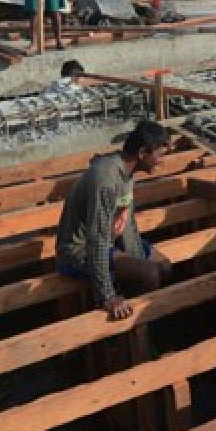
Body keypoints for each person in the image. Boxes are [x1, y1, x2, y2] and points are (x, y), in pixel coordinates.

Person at [56, 120, 175, 320]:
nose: (162, 161)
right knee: (150, 274)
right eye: (160, 156)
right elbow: (97, 238)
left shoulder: (128, 171)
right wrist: (107, 295)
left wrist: (136, 258)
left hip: (110, 240)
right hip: (79, 249)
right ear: (142, 152)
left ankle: (139, 308)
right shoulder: (106, 179)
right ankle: (138, 326)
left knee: (164, 266)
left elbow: (128, 224)